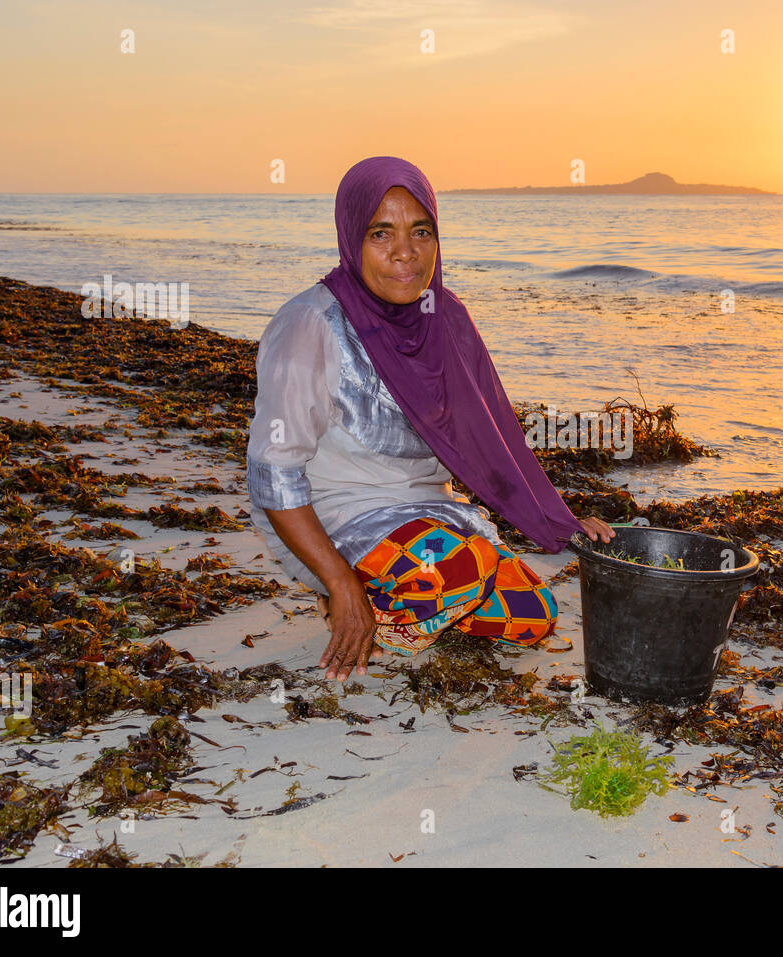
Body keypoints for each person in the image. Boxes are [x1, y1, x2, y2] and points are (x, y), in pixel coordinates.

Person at [245, 156, 613, 682]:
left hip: (427, 512)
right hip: (332, 518)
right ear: (352, 238)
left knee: (533, 616)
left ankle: (399, 593)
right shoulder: (310, 324)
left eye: (422, 231)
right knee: (462, 571)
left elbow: (492, 439)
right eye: (380, 233)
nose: (405, 253)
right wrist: (340, 583)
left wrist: (557, 518)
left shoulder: (444, 316)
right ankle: (349, 595)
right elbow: (272, 475)